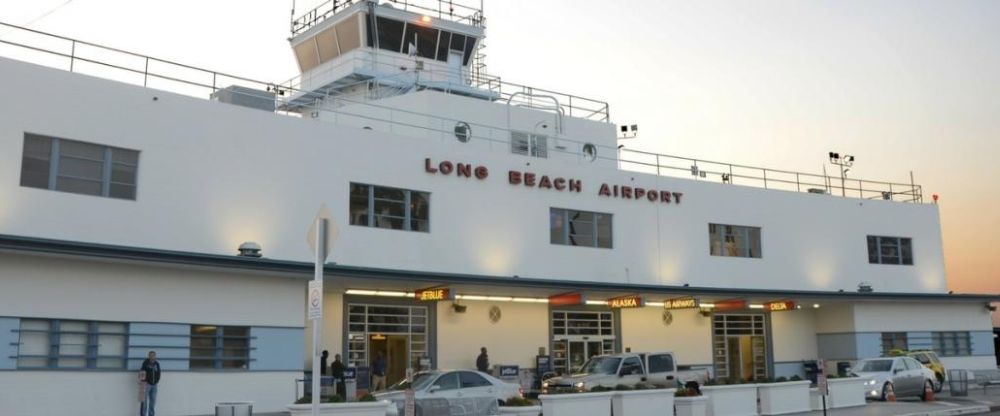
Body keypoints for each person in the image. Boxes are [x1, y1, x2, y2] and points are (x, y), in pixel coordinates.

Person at [139, 350, 161, 416]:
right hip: (146, 385)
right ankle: (143, 414)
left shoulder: (157, 364)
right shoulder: (145, 363)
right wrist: (143, 383)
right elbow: (141, 372)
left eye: (153, 355)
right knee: (144, 402)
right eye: (150, 355)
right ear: (148, 356)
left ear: (155, 356)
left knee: (153, 402)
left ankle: (151, 414)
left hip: (154, 385)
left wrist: (157, 381)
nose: (152, 357)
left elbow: (159, 373)